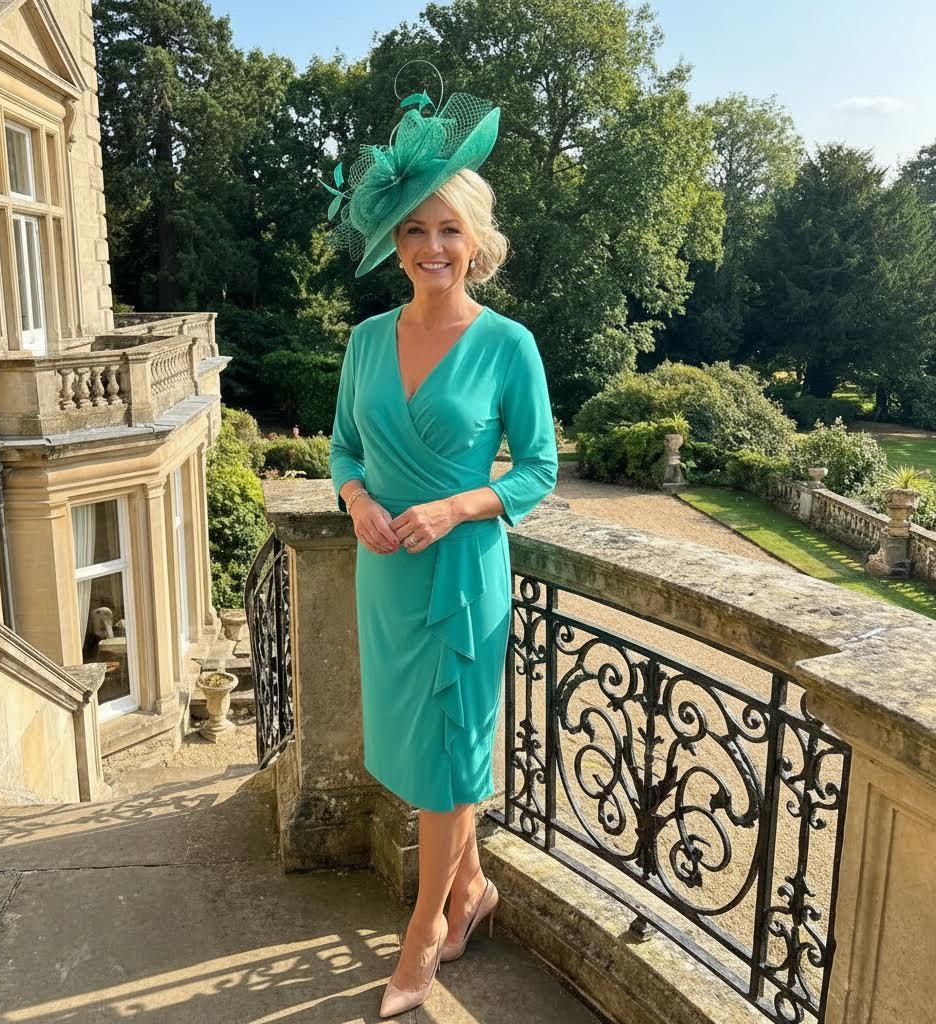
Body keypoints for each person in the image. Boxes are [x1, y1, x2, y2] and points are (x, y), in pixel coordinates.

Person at [323, 63, 558, 1018]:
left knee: (452, 759)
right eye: (414, 229)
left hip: (462, 579)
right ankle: (468, 891)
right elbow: (343, 445)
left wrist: (458, 506)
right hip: (385, 581)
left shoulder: (510, 346)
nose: (431, 246)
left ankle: (421, 939)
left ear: (477, 241)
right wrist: (353, 500)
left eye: (448, 228)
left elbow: (538, 470)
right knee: (425, 761)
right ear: (395, 243)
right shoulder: (366, 341)